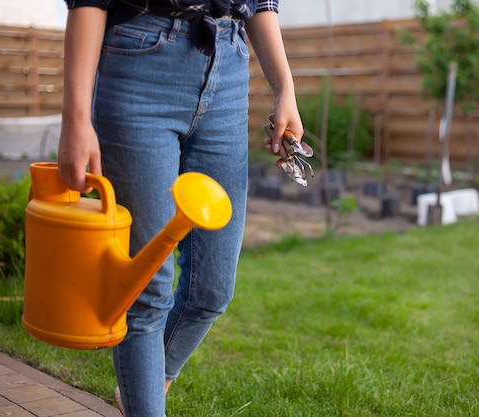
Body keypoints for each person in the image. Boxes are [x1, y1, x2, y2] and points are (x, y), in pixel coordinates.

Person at [57, 1, 303, 416]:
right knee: (146, 290)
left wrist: (285, 88)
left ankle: (144, 386)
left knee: (211, 289)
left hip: (228, 65)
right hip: (140, 61)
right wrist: (75, 117)